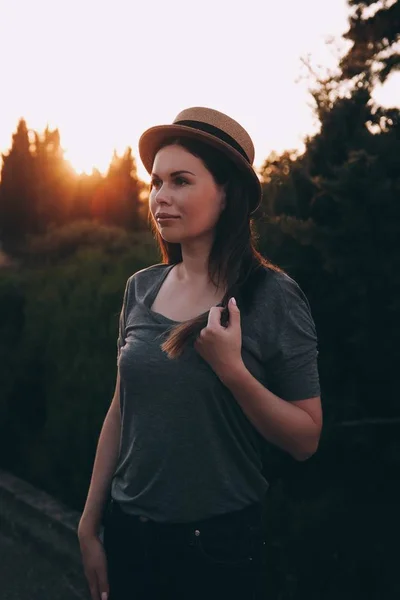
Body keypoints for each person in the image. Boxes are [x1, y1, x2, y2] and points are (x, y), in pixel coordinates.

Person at [77, 107, 323, 600]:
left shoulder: (273, 296)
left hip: (217, 549)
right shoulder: (141, 288)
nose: (161, 198)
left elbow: (306, 438)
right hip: (129, 532)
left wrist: (233, 372)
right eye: (156, 182)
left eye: (181, 181)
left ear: (227, 192)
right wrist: (89, 525)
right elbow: (121, 409)